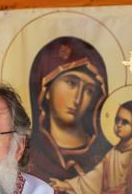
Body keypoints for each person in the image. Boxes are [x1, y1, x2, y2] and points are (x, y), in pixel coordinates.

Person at [25, 37, 110, 184]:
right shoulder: (27, 156)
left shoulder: (108, 157)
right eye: (71, 83)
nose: (78, 99)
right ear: (46, 89)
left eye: (89, 90)